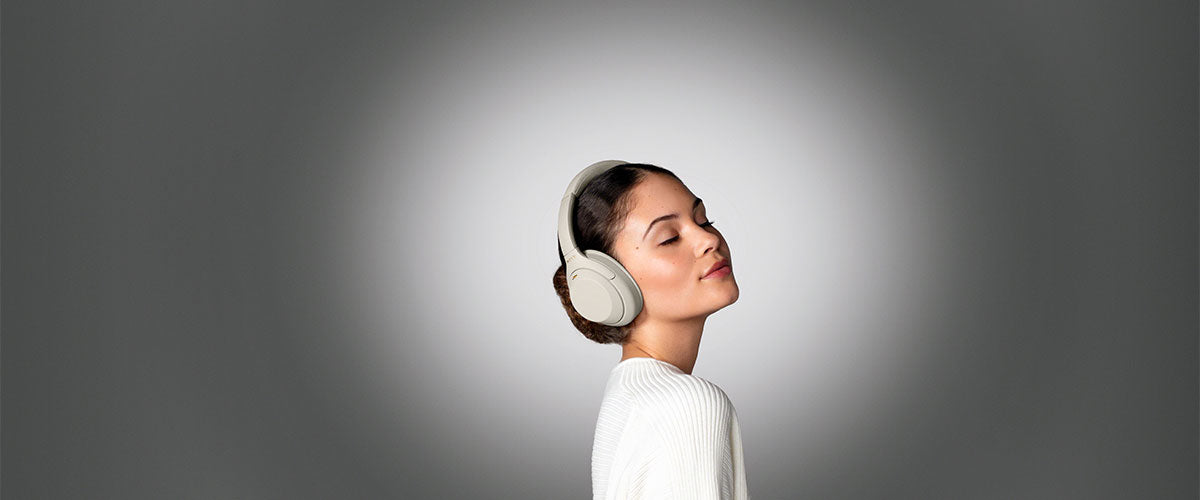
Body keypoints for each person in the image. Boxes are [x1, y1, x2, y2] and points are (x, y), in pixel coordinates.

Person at [552, 160, 749, 499]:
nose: (708, 239)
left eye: (704, 220)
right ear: (608, 284)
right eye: (670, 238)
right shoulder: (687, 405)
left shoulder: (628, 396)